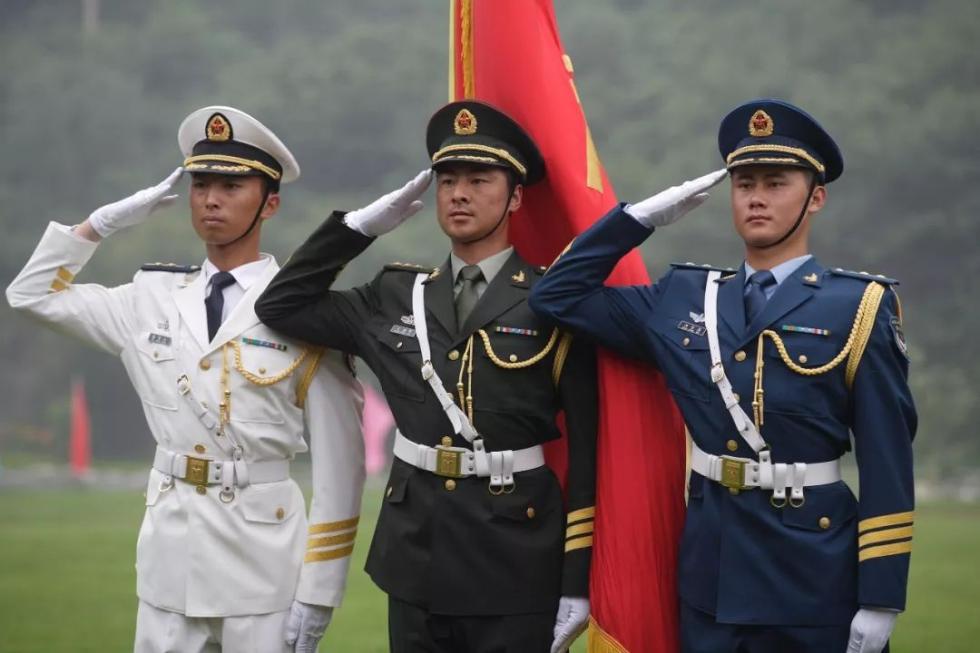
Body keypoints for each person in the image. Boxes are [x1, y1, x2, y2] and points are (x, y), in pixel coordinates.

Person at [529, 98, 915, 653]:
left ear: (816, 197)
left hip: (814, 572)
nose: (756, 197)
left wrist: (880, 597)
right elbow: (555, 297)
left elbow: (888, 458)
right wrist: (637, 219)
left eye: (776, 182)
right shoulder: (685, 298)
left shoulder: (859, 307)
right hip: (711, 570)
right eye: (744, 183)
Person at [6, 106, 366, 653]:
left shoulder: (304, 311)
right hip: (170, 562)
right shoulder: (149, 297)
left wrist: (319, 594)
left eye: (230, 185)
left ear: (270, 203)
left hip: (263, 566)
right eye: (200, 185)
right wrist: (99, 226)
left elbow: (342, 469)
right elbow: (30, 296)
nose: (211, 199)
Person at [255, 100, 598, 653]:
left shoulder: (552, 300)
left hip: (515, 561)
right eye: (447, 179)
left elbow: (587, 454)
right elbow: (282, 305)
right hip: (415, 556)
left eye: (479, 180)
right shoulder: (395, 296)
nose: (458, 193)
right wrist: (357, 228)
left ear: (514, 197)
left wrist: (578, 582)